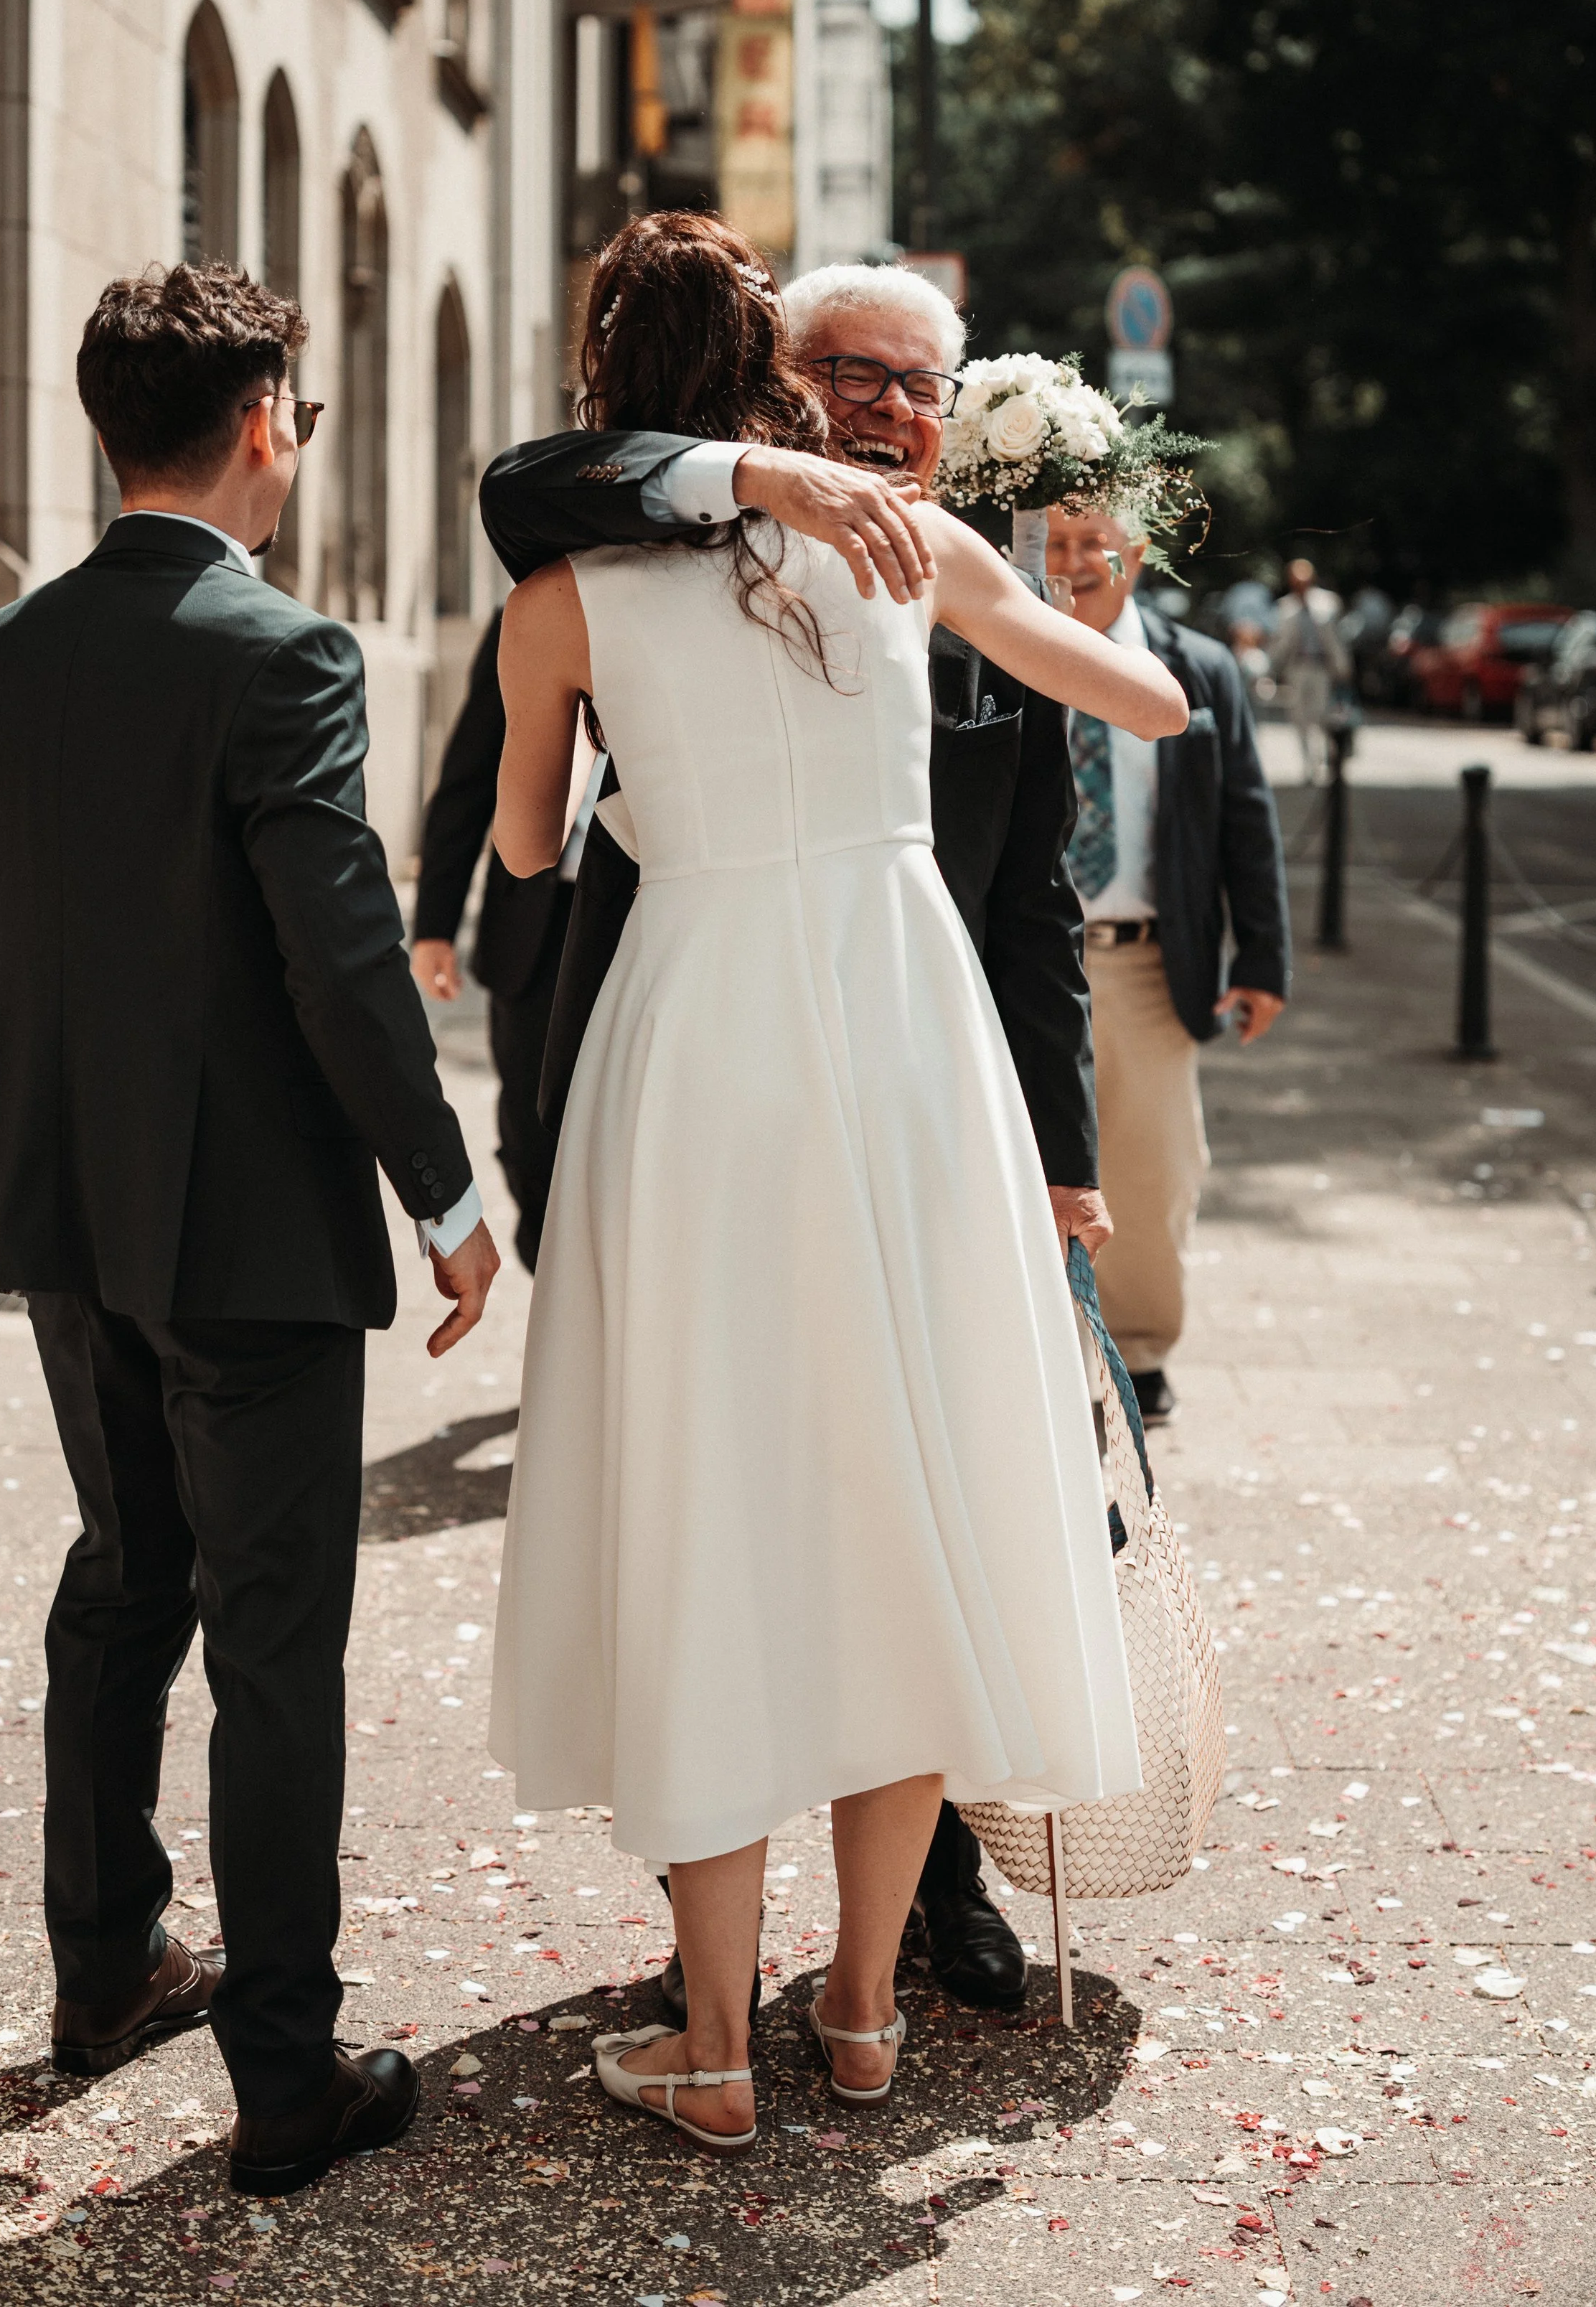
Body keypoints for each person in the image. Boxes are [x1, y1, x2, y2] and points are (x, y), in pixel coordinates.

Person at [486, 215, 1186, 2150]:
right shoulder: (910, 556)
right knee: (901, 1485)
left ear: (607, 392)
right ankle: (861, 2011)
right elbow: (1153, 710)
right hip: (896, 1038)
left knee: (704, 1494)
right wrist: (1068, 577)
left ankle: (710, 2045)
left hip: (694, 1037)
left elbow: (528, 846)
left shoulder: (558, 593)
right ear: (780, 384)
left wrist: (630, 781)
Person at [0, 263, 499, 2199]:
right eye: (304, 419)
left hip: (67, 1214)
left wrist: (42, 1143)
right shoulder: (284, 656)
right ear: (262, 416)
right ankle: (282, 2076)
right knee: (270, 1639)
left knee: (119, 1571)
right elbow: (340, 959)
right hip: (247, 1232)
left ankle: (101, 1973)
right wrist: (444, 1186)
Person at [1044, 501, 1291, 1426]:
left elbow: (1245, 818)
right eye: (1053, 542)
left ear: (1136, 553)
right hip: (1030, 961)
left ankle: (1140, 1356)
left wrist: (1263, 957)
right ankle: (1037, 1345)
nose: (1072, 563)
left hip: (1150, 960)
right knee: (1028, 1159)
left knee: (1153, 1171)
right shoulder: (996, 645)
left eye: (1091, 545)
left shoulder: (1201, 669)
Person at [412, 609, 600, 1271]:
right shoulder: (533, 610)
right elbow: (468, 777)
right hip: (536, 927)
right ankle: (558, 1292)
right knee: (529, 1135)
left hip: (648, 919)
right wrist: (433, 925)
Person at [1269, 556, 1349, 782]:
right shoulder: (1286, 607)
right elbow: (1280, 642)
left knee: (1322, 715)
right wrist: (1271, 669)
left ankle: (1327, 761)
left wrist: (1343, 667)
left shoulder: (1328, 602)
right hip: (1297, 668)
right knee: (1300, 718)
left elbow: (1338, 638)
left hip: (1322, 667)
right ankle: (1308, 766)